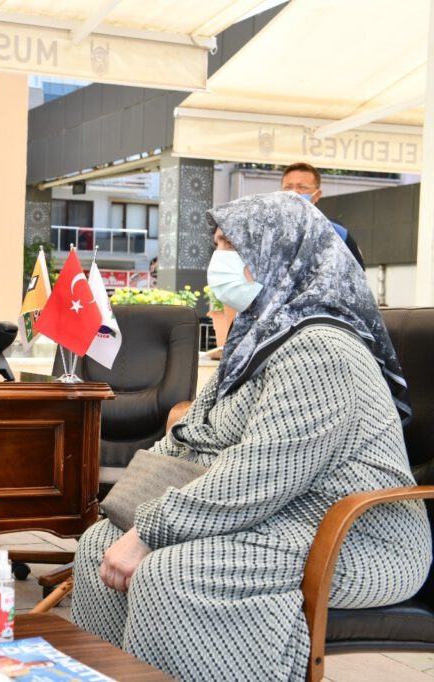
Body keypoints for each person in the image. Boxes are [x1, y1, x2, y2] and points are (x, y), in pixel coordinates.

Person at [70, 191, 431, 681]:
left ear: (280, 254)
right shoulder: (258, 337)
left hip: (356, 539)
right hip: (280, 517)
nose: (217, 258)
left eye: (231, 245)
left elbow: (261, 473)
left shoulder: (322, 349)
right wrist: (132, 506)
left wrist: (153, 529)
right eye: (217, 243)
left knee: (172, 572)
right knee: (100, 545)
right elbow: (191, 435)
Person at [281, 162, 365, 268]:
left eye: (302, 187)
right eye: (288, 187)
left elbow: (357, 271)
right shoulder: (265, 227)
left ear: (317, 195)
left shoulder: (335, 232)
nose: (294, 193)